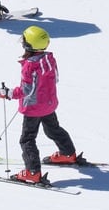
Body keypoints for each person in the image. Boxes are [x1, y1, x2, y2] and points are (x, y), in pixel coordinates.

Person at [5, 25, 84, 184]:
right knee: (53, 129)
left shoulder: (30, 65)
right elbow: (53, 80)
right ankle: (67, 154)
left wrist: (8, 93)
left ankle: (32, 172)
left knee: (27, 139)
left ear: (28, 45)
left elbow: (26, 90)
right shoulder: (49, 59)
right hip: (48, 104)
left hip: (34, 108)